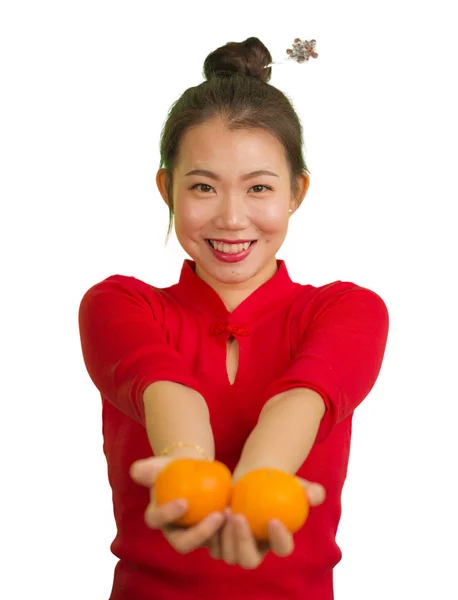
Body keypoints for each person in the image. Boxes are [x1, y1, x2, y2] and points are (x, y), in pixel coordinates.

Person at [78, 36, 389, 600]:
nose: (231, 217)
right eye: (202, 187)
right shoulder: (118, 304)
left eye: (259, 188)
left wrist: (259, 480)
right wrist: (188, 474)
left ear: (297, 192)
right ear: (165, 187)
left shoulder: (348, 310)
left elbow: (301, 399)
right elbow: (172, 395)